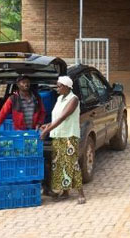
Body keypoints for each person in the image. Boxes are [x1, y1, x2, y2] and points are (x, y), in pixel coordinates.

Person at [39, 75, 86, 204]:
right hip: (58, 135)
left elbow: (62, 118)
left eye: (59, 86)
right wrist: (47, 125)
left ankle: (81, 193)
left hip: (69, 135)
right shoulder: (60, 98)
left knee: (71, 164)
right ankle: (65, 191)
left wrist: (46, 131)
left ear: (66, 87)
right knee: (59, 164)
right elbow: (56, 118)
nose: (57, 88)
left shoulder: (73, 99)